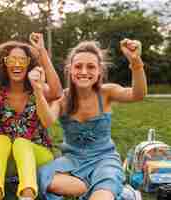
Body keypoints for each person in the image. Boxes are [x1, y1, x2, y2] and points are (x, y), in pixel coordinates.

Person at [29, 39, 147, 200]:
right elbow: (47, 120)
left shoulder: (106, 93)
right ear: (70, 70)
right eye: (78, 66)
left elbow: (138, 94)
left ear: (99, 71)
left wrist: (135, 62)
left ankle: (110, 189)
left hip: (104, 159)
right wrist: (37, 90)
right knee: (42, 177)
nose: (84, 71)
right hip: (72, 160)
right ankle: (112, 191)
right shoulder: (63, 98)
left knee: (102, 192)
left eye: (91, 67)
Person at [0, 33, 63, 200]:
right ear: (4, 64)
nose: (17, 64)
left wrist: (42, 51)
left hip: (38, 156)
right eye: (11, 60)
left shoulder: (37, 88)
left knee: (20, 142)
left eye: (22, 60)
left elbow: (57, 93)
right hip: (7, 161)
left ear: (29, 64)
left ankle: (27, 195)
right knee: (0, 139)